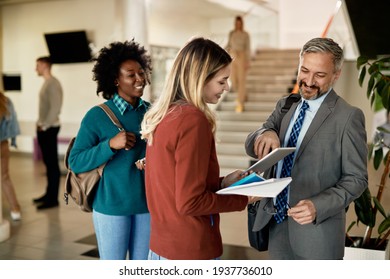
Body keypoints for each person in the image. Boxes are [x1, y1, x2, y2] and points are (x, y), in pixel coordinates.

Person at [245, 37, 368, 260]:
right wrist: (265, 133)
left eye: (319, 75)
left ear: (336, 75)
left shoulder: (348, 117)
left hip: (317, 234)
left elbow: (356, 179)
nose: (309, 81)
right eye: (304, 70)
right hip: (276, 225)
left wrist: (317, 206)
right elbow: (250, 143)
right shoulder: (285, 105)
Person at [141, 37, 259, 260]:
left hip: (162, 245)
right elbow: (190, 202)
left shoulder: (165, 115)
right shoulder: (192, 120)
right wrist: (245, 198)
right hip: (190, 249)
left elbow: (175, 185)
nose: (226, 87)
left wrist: (223, 183)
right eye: (222, 81)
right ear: (200, 79)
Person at [68, 40, 152, 260]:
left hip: (147, 205)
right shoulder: (96, 116)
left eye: (141, 73)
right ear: (115, 79)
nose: (139, 79)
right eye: (131, 74)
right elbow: (75, 161)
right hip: (111, 206)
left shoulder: (152, 113)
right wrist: (109, 145)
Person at [32, 56, 63, 210]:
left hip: (49, 128)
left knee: (51, 164)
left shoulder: (53, 83)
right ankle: (48, 194)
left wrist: (44, 126)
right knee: (48, 163)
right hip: (45, 128)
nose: (35, 68)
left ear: (45, 65)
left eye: (37, 65)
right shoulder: (47, 83)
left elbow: (55, 107)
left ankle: (52, 199)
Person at [0, 91, 22, 221]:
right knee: (5, 178)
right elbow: (13, 123)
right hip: (3, 145)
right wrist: (13, 141)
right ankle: (15, 210)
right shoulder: (5, 100)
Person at [226, 15, 251, 113]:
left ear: (242, 24)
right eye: (237, 23)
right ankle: (244, 95)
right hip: (233, 55)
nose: (238, 25)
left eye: (240, 23)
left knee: (241, 80)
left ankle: (240, 103)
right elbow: (228, 44)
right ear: (235, 24)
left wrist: (247, 61)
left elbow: (248, 48)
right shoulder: (231, 33)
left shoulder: (245, 34)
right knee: (233, 80)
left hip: (242, 56)